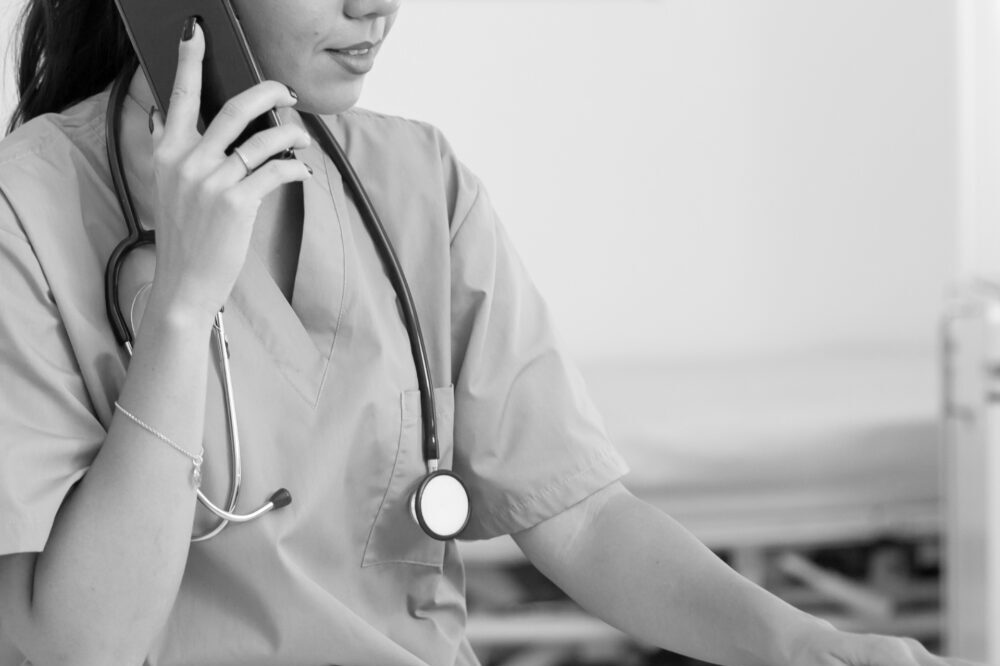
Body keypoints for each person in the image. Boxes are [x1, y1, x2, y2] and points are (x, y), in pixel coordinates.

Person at [0, 1, 978, 665]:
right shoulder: (27, 215)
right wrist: (182, 308)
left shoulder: (417, 182)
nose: (375, 6)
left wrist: (801, 644)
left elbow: (581, 519)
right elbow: (81, 647)